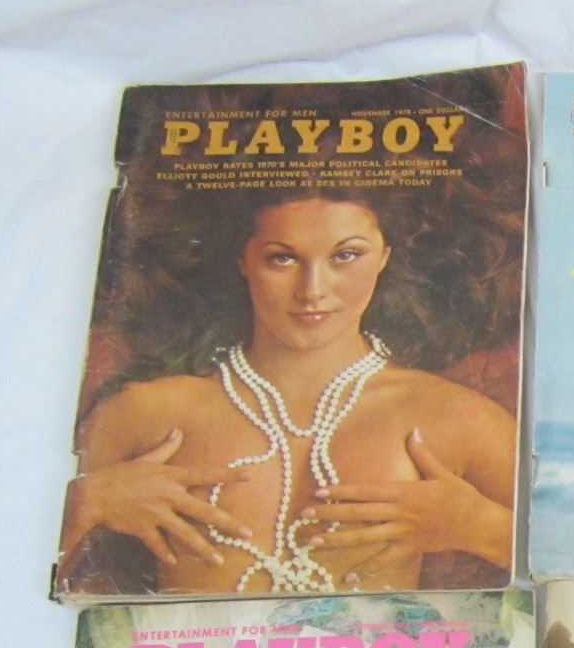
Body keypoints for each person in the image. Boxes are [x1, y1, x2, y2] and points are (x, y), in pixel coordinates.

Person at [61, 183, 519, 596]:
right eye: (282, 258)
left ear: (384, 256)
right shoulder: (146, 412)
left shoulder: (454, 417)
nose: (312, 290)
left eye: (346, 256)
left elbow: (558, 565)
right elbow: (29, 571)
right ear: (243, 260)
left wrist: (478, 526)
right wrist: (88, 501)